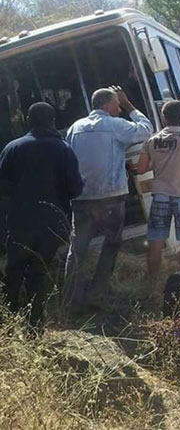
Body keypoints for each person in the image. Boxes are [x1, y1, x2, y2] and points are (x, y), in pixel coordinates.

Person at [64, 86, 153, 309]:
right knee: (112, 243)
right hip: (111, 197)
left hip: (81, 197)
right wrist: (130, 105)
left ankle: (70, 300)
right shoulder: (116, 125)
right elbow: (146, 129)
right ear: (106, 105)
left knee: (77, 251)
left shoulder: (76, 127)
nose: (118, 107)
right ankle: (96, 292)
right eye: (116, 104)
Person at [0, 102, 83, 329]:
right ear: (53, 120)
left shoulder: (13, 148)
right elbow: (76, 188)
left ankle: (7, 323)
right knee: (38, 273)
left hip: (21, 220)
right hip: (52, 223)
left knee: (14, 270)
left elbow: (2, 187)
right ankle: (35, 325)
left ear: (28, 120)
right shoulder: (64, 149)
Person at [137, 100, 180, 292]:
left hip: (160, 195)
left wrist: (158, 164)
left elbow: (141, 168)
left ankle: (152, 284)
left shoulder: (152, 140)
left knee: (156, 242)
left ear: (163, 117)